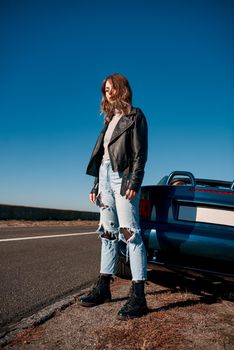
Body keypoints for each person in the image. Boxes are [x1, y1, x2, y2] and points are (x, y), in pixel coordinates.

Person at [79, 73, 148, 320]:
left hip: (123, 177)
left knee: (130, 232)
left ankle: (139, 296)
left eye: (111, 88)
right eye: (105, 89)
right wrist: (97, 184)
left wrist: (134, 180)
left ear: (122, 88)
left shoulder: (135, 115)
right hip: (105, 177)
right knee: (107, 233)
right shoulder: (109, 120)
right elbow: (103, 157)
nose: (108, 92)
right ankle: (104, 287)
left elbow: (140, 153)